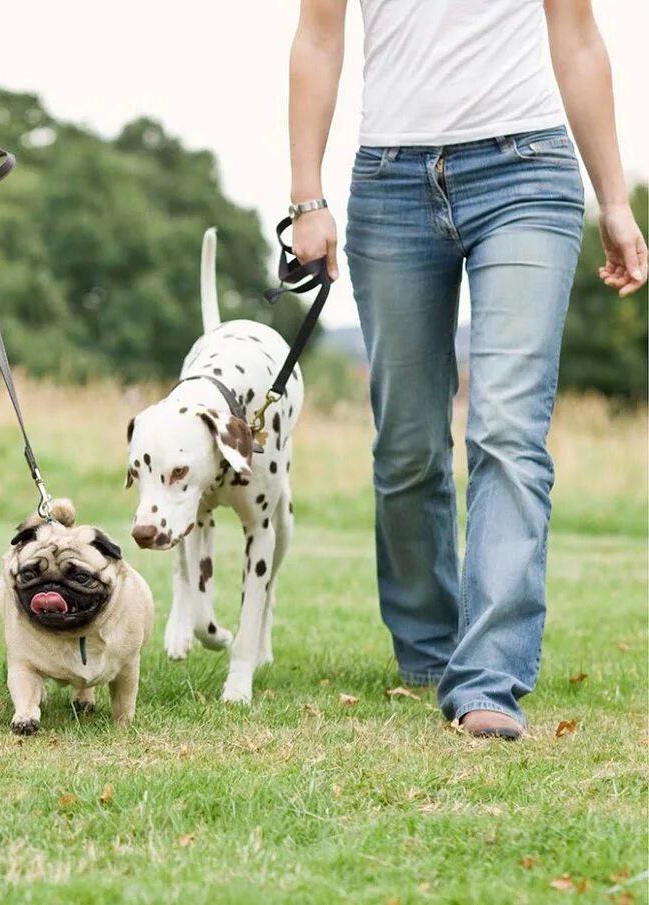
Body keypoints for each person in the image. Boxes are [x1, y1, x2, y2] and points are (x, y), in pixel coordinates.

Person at [287, 0, 646, 738]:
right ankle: (426, 651)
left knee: (507, 429)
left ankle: (487, 677)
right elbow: (317, 39)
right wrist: (307, 198)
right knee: (408, 445)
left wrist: (614, 200)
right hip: (390, 182)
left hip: (526, 172)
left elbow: (578, 38)